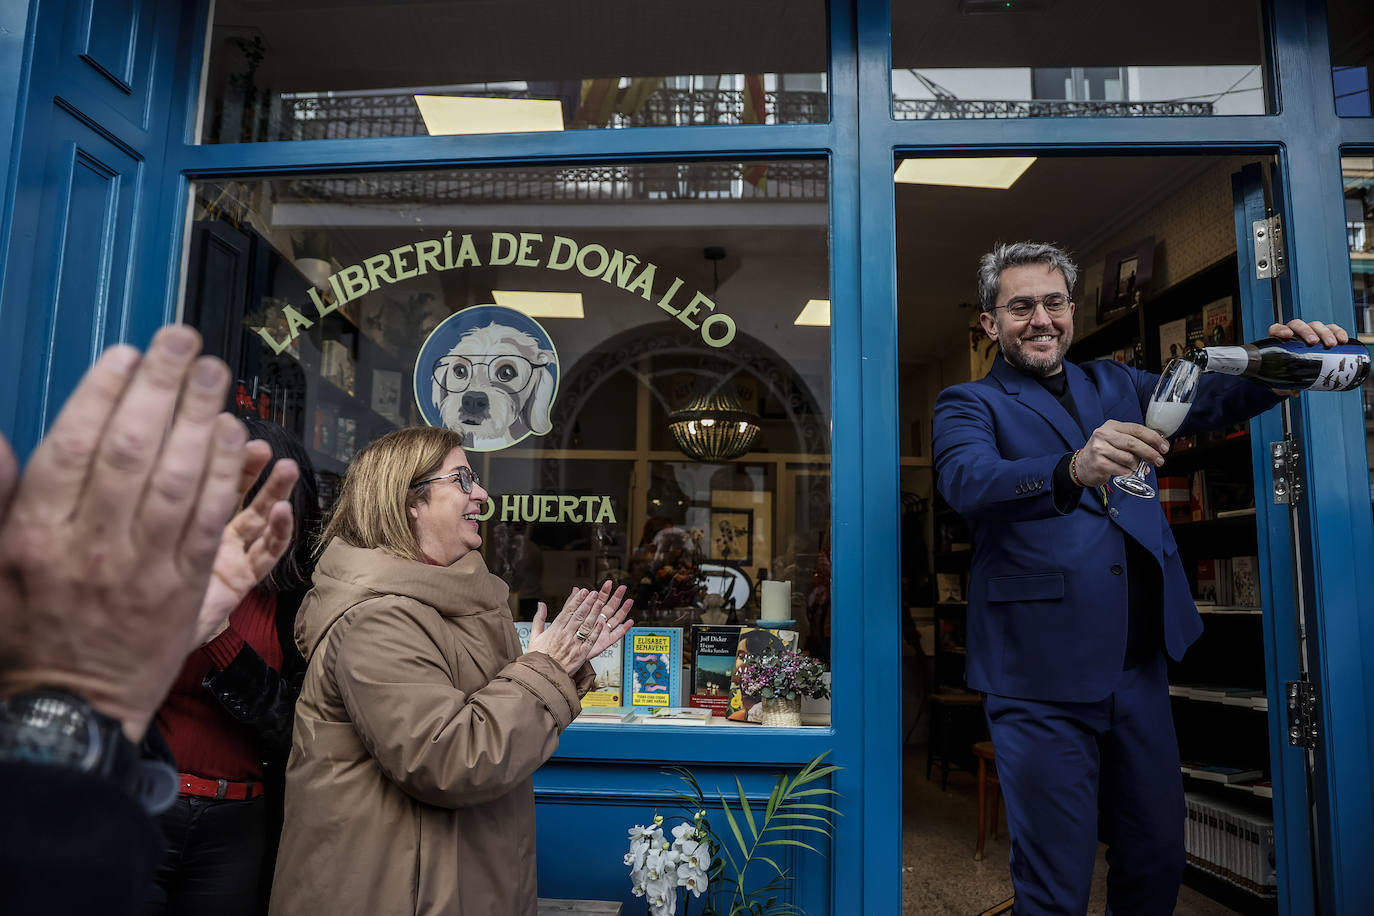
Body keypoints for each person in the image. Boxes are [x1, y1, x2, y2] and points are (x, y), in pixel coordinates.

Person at [931, 241, 1349, 915]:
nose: (1041, 319)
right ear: (989, 323)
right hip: (1038, 679)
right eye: (1021, 307)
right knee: (1056, 881)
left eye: (1054, 302)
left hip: (1138, 668)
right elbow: (968, 480)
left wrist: (1285, 365)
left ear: (1070, 309)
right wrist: (1072, 467)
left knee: (1156, 855)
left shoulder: (1117, 383)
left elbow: (1210, 399)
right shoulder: (968, 404)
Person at [269, 426, 633, 916]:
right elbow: (449, 758)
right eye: (462, 479)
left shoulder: (460, 601)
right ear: (408, 502)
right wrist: (547, 668)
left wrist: (561, 664)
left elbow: (495, 709)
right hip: (395, 893)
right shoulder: (377, 619)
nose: (482, 494)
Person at [0, 326, 297, 915]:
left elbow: (292, 726)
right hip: (143, 802)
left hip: (234, 818)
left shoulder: (284, 601)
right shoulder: (142, 577)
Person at [144, 417, 320, 916]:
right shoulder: (154, 568)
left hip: (239, 825)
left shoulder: (298, 602)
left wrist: (220, 634)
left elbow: (298, 728)